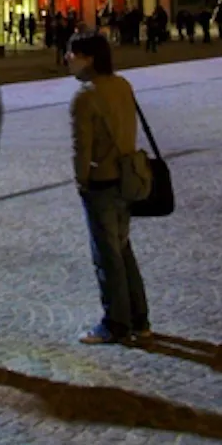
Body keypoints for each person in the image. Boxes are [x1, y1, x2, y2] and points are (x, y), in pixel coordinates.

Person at [67, 32, 150, 345]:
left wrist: (81, 180)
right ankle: (140, 319)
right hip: (128, 176)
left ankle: (115, 323)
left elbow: (82, 147)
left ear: (88, 58)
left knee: (107, 255)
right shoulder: (122, 85)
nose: (67, 59)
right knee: (123, 249)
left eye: (72, 54)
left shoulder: (85, 97)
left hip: (101, 180)